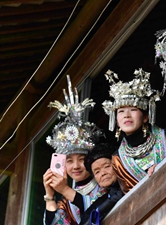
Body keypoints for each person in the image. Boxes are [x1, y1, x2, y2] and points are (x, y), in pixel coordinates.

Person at [102, 68, 166, 194]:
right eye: (121, 111)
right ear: (116, 121)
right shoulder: (118, 160)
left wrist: (165, 167)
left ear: (145, 117)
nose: (126, 115)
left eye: (133, 110)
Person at [43, 75, 103, 225]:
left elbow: (98, 210)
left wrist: (64, 190)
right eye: (69, 161)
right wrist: (50, 195)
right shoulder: (65, 202)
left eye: (82, 160)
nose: (75, 166)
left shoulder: (104, 181)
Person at [74, 143, 123, 225]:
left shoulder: (130, 182)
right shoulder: (97, 205)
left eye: (107, 166)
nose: (103, 173)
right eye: (97, 172)